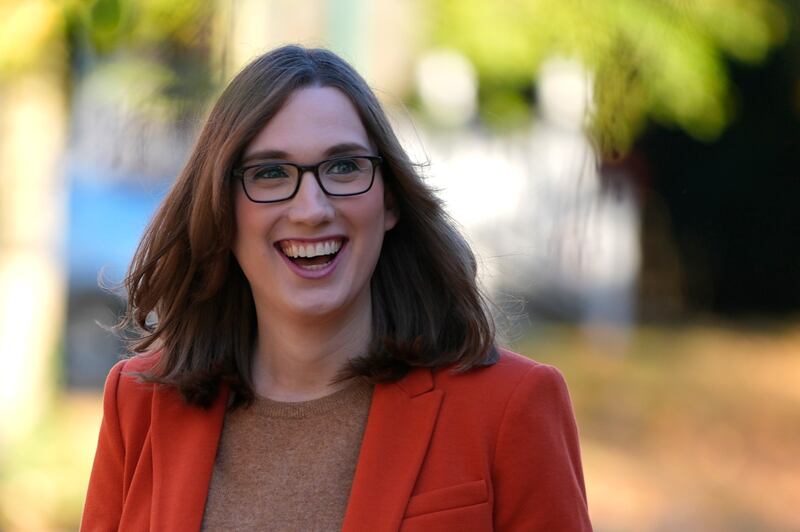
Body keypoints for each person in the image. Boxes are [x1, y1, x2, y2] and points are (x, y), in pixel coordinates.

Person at [81, 45, 592, 531]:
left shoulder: (510, 407)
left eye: (344, 167)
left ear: (389, 199)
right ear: (222, 208)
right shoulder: (139, 405)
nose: (311, 209)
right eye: (271, 173)